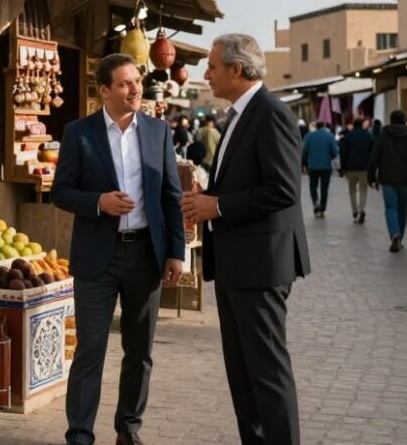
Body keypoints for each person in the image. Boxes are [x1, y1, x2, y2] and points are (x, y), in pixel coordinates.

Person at [181, 33, 309, 445]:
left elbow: (283, 189)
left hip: (261, 265)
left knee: (267, 374)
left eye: (213, 66)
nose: (207, 74)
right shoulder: (237, 115)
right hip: (238, 263)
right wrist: (206, 200)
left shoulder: (270, 113)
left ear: (237, 69)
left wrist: (216, 207)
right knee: (243, 375)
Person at [52, 53, 185, 445]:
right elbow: (62, 192)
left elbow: (170, 196)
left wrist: (176, 251)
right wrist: (99, 203)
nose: (135, 90)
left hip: (146, 254)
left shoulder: (158, 131)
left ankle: (128, 429)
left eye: (138, 82)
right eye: (125, 84)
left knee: (139, 350)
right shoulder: (79, 133)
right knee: (90, 348)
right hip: (98, 257)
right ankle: (79, 434)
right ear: (104, 90)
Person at [367, 110, 407, 252]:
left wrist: (371, 176)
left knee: (391, 208)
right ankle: (400, 237)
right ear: (404, 120)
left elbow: (374, 156)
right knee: (402, 209)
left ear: (391, 120)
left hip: (387, 179)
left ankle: (394, 234)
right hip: (406, 180)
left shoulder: (383, 135)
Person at [339, 119, 374, 224]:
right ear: (362, 125)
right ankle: (362, 209)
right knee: (363, 190)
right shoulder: (368, 136)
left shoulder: (347, 137)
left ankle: (355, 211)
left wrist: (343, 168)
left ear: (353, 125)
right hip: (364, 168)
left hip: (351, 167)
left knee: (352, 190)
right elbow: (373, 152)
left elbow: (343, 154)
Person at [301, 122, 338, 217]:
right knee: (324, 188)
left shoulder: (309, 136)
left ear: (316, 127)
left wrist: (304, 164)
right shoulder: (329, 136)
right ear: (324, 126)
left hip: (312, 166)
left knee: (313, 185)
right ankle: (322, 208)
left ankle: (315, 202)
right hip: (326, 166)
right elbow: (334, 152)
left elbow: (304, 151)